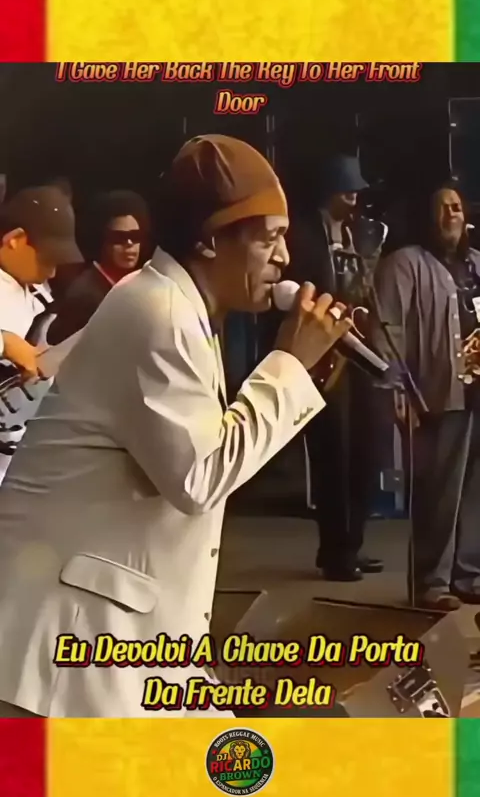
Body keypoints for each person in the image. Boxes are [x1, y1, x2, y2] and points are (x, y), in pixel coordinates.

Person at [0, 135, 351, 718]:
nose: (285, 258)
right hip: (67, 639)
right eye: (268, 238)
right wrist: (288, 365)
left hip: (118, 635)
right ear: (210, 239)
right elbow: (198, 476)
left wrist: (301, 375)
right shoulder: (158, 312)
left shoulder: (178, 307)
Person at [372, 183, 480, 610]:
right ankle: (431, 582)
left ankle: (468, 575)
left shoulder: (475, 264)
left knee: (475, 490)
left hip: (477, 394)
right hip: (436, 393)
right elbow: (388, 328)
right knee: (438, 491)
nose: (451, 213)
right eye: (442, 208)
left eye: (457, 207)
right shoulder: (405, 264)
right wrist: (396, 387)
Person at [288, 154, 383, 581]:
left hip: (359, 351)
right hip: (325, 356)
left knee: (364, 449)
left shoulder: (359, 233)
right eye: (347, 190)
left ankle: (353, 544)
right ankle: (335, 551)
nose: (354, 197)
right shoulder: (304, 237)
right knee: (333, 454)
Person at [0, 186, 83, 483]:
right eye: (46, 259)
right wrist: (5, 342)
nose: (52, 272)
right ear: (15, 240)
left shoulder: (37, 293)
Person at [47, 190, 151, 344]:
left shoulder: (133, 286)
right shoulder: (84, 296)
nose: (129, 244)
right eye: (119, 238)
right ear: (101, 239)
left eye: (135, 236)